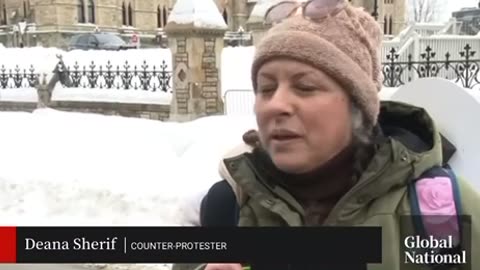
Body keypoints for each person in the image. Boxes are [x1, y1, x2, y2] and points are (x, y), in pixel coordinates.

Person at [175, 0, 480, 269]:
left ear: (357, 108)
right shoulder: (225, 206)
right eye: (266, 88)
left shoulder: (442, 211)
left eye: (305, 87)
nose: (276, 105)